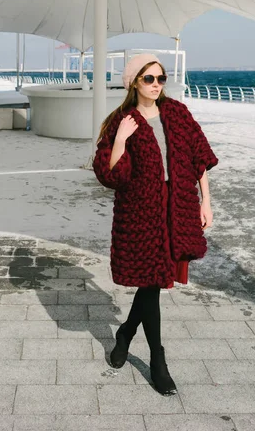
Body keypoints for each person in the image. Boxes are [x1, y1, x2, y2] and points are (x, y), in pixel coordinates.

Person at [93, 53, 218, 395]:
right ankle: (157, 359)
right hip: (140, 212)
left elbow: (199, 159)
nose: (156, 85)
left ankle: (126, 336)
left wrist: (206, 200)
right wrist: (120, 138)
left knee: (153, 282)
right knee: (152, 281)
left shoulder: (176, 112)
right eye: (149, 79)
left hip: (176, 207)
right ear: (134, 82)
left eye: (161, 78)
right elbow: (109, 174)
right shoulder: (121, 119)